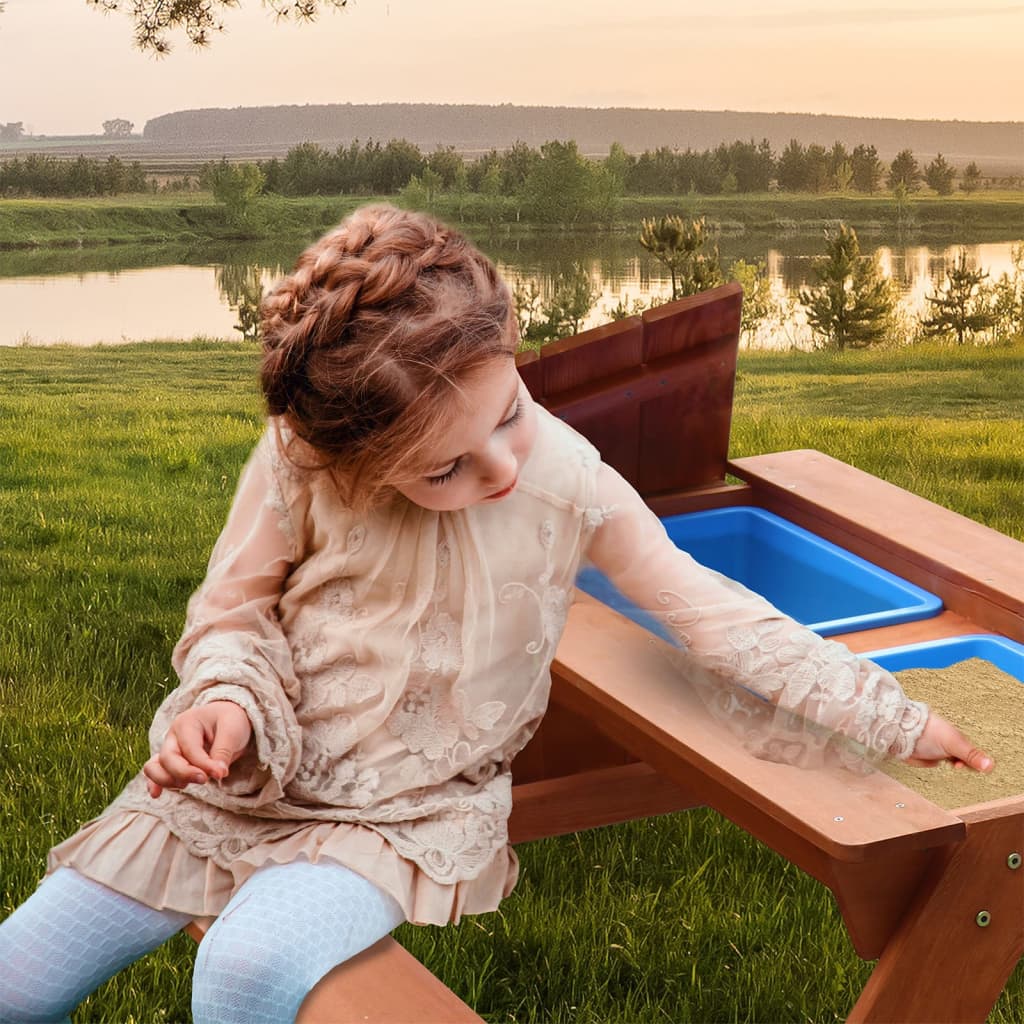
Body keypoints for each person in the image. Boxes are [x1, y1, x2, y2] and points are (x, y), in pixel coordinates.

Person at [0, 204, 992, 1024]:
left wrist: (900, 717)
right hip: (248, 777)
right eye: (445, 467)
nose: (505, 466)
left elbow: (717, 613)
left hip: (403, 811)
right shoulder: (301, 459)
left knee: (248, 967)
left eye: (510, 411)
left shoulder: (570, 479)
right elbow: (233, 611)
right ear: (356, 463)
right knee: (16, 977)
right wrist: (223, 699)